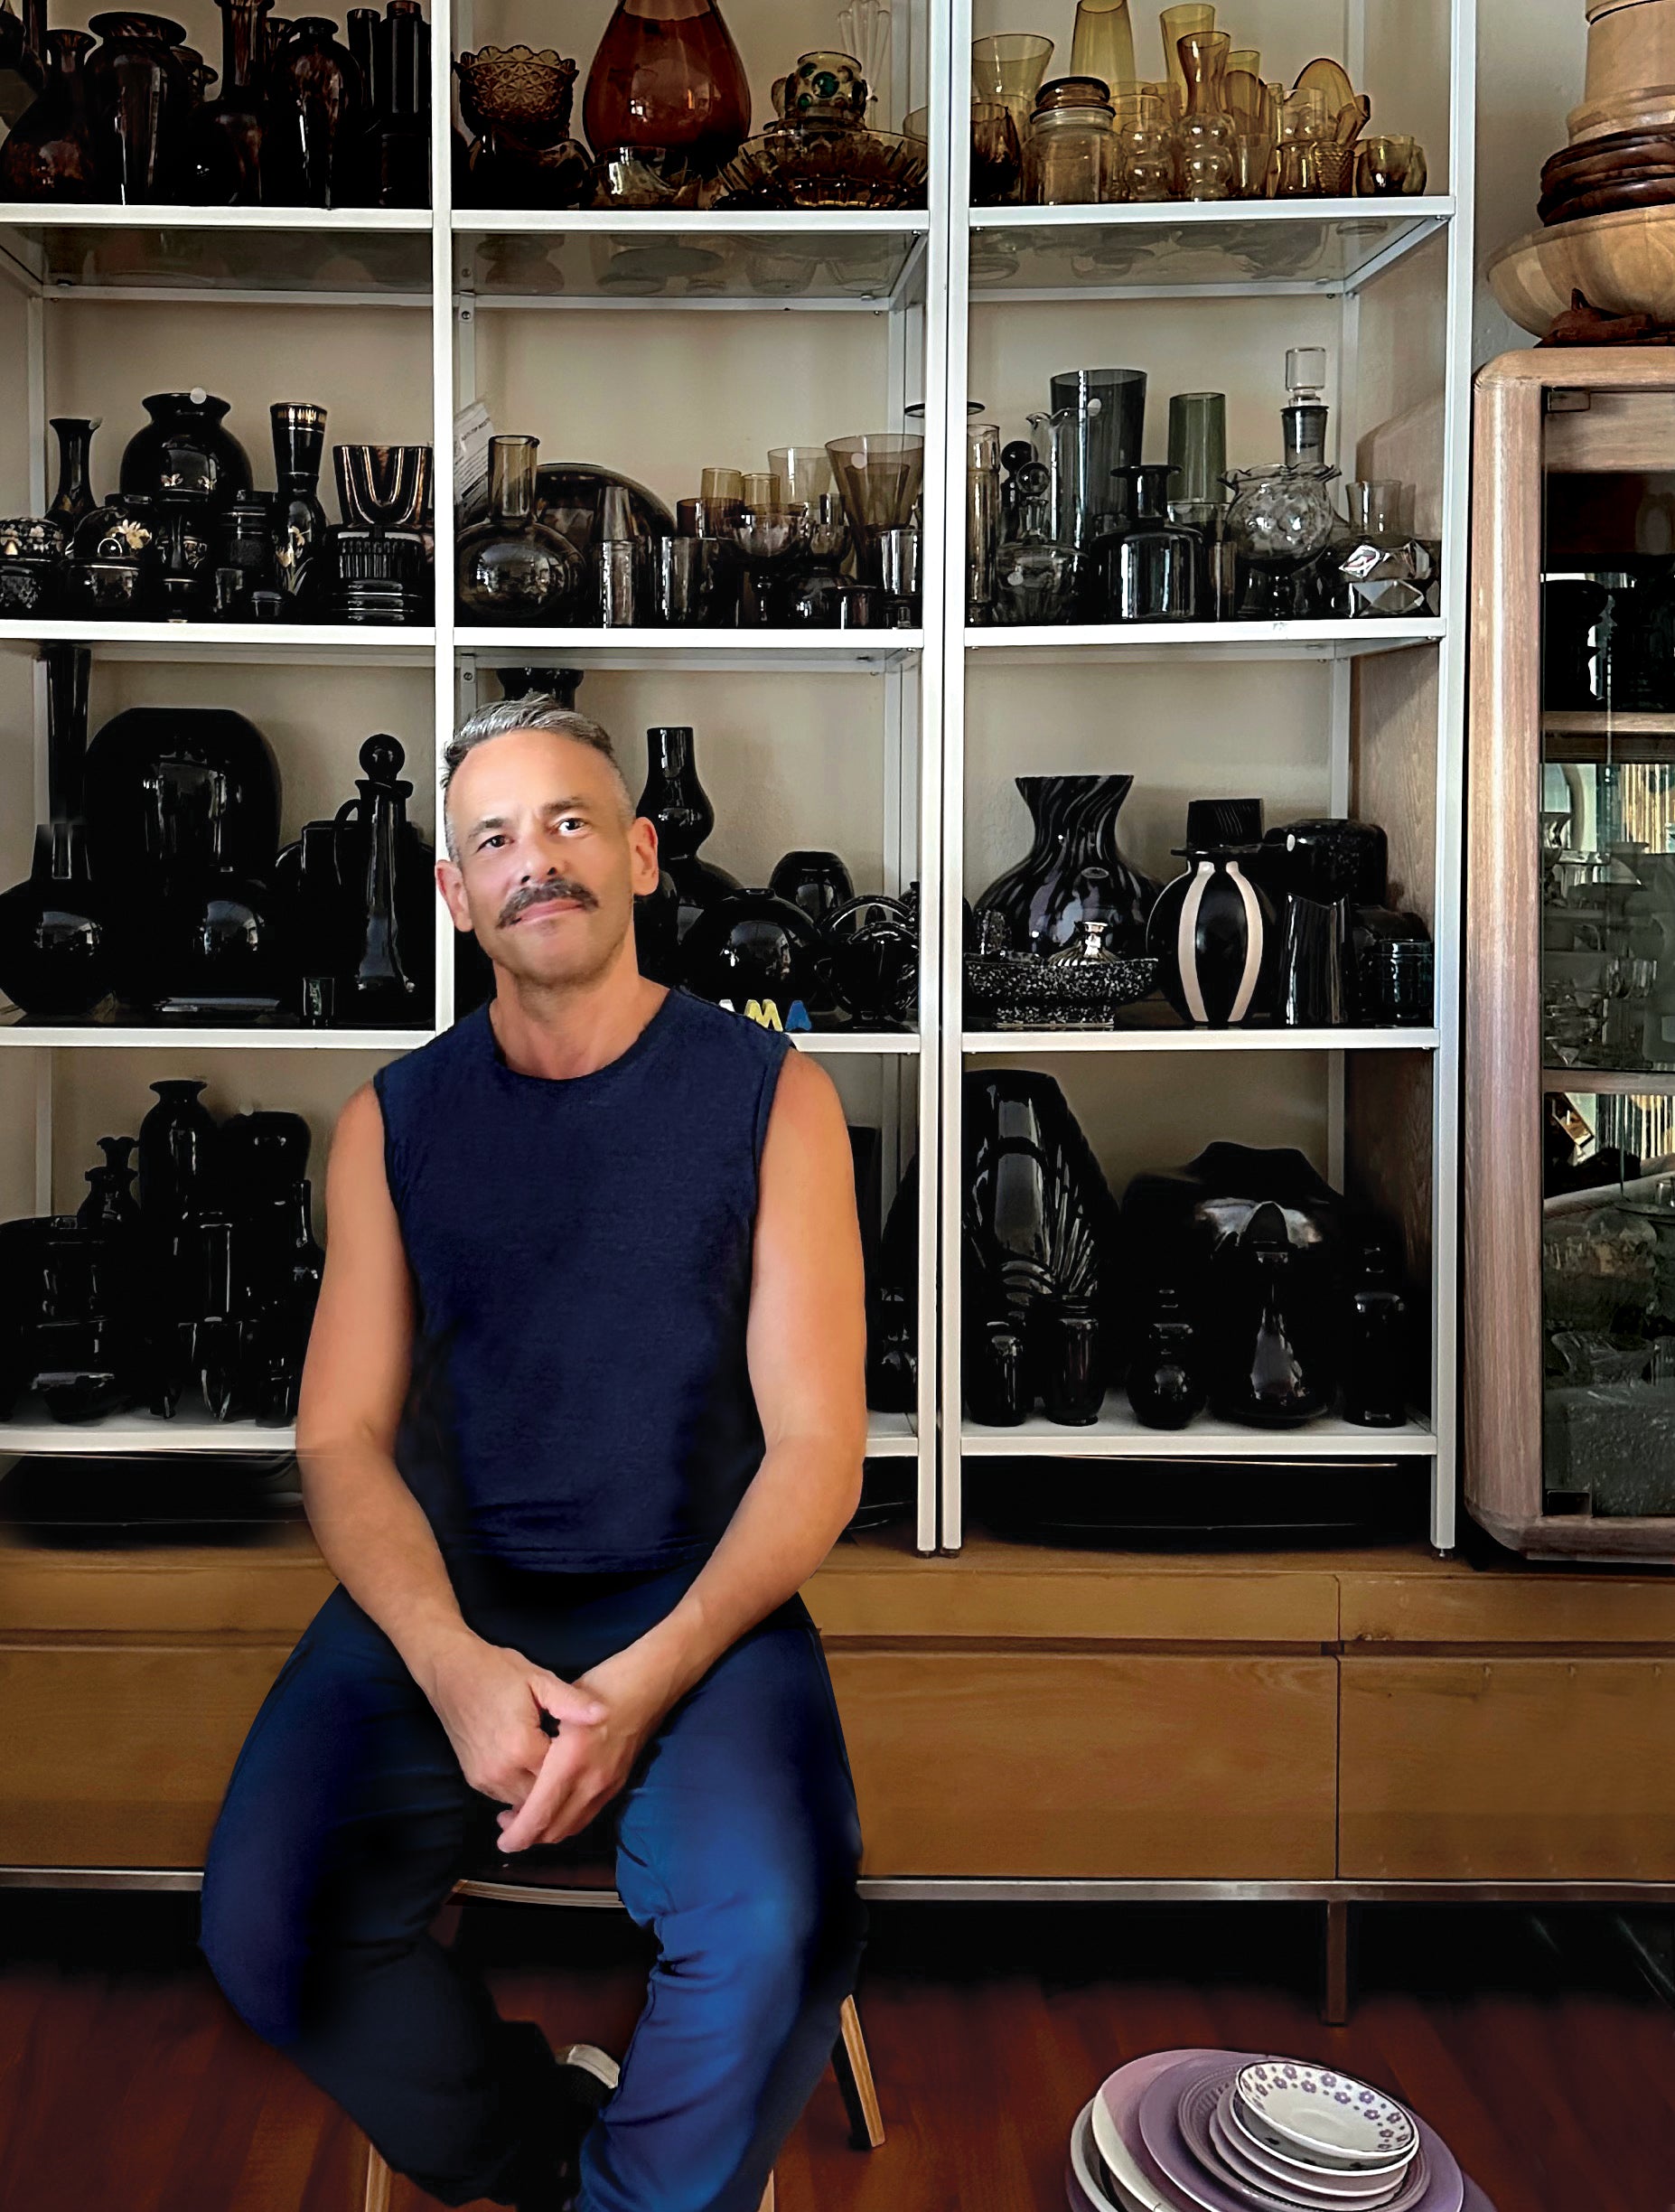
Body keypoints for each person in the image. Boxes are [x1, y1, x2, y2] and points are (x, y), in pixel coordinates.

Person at [198, 695, 869, 2212]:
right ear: (454, 893)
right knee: (263, 1928)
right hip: (448, 1602)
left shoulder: (774, 1099)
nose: (534, 862)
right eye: (492, 838)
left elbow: (821, 1449)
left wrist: (651, 1675)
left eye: (568, 823)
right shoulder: (392, 1120)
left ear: (639, 856)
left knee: (783, 1926)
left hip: (698, 1605)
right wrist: (444, 1657)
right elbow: (343, 1437)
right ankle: (539, 2150)